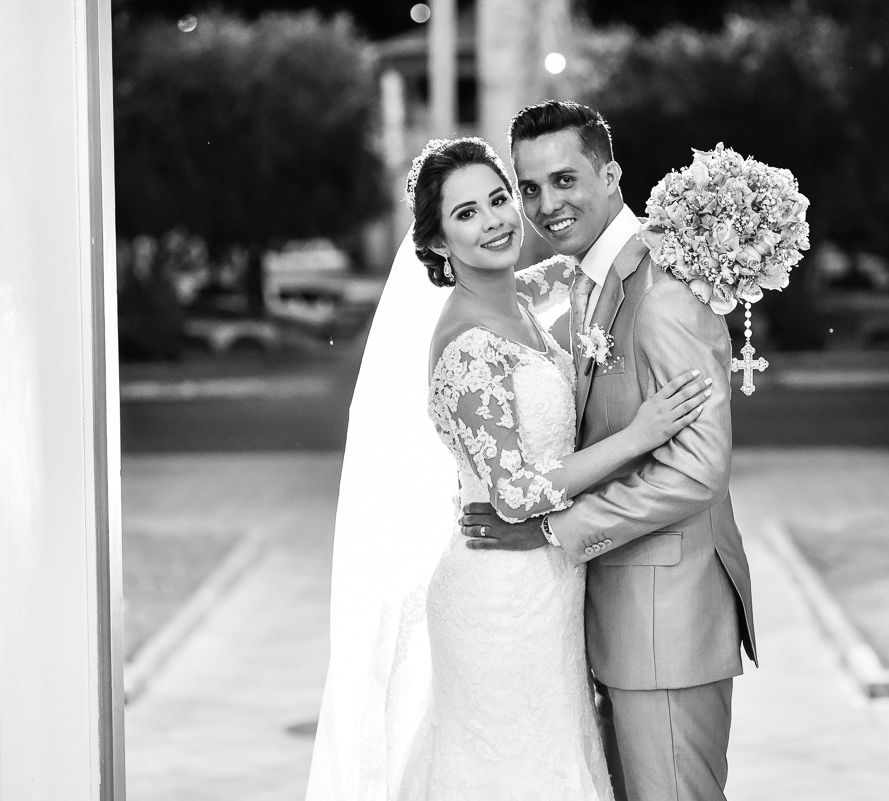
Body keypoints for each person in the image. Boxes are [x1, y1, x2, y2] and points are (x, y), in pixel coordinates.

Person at [305, 136, 711, 800]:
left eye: (499, 198)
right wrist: (640, 435)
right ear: (437, 241)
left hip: (548, 585)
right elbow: (518, 493)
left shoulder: (518, 296)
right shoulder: (467, 345)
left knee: (558, 760)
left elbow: (600, 256)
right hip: (498, 597)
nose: (495, 220)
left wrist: (696, 223)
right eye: (466, 214)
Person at [461, 101, 759, 801]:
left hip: (668, 624)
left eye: (565, 180)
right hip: (622, 618)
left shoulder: (662, 292)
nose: (545, 204)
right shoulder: (597, 279)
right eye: (529, 187)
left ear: (612, 173)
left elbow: (694, 471)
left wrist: (551, 530)